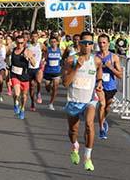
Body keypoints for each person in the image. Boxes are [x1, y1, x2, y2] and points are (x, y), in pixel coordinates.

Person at [63, 31, 103, 172]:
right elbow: (66, 83)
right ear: (79, 44)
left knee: (89, 124)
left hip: (89, 100)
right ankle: (75, 146)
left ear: (93, 45)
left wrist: (99, 82)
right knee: (73, 131)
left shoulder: (96, 60)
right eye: (84, 43)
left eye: (90, 43)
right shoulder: (70, 60)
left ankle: (87, 157)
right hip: (74, 100)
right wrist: (76, 67)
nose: (87, 46)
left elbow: (99, 73)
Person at [96, 34, 123, 140]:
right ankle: (101, 128)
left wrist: (110, 67)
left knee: (107, 107)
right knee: (102, 104)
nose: (101, 45)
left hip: (110, 86)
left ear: (108, 43)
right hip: (99, 85)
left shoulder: (114, 57)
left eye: (104, 42)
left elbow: (120, 75)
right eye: (100, 42)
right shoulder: (95, 57)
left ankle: (103, 119)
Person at [10, 35, 36, 120]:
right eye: (18, 43)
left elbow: (34, 63)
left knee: (24, 96)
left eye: (21, 43)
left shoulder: (27, 51)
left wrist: (28, 57)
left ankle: (22, 108)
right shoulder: (13, 50)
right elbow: (6, 57)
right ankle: (15, 104)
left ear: (24, 43)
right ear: (15, 42)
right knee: (17, 93)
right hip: (15, 75)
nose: (19, 45)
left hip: (24, 76)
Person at [42, 36, 62, 111]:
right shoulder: (47, 50)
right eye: (51, 42)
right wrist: (43, 61)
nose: (53, 43)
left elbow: (62, 60)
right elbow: (44, 58)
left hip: (56, 72)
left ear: (57, 42)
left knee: (55, 87)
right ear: (50, 43)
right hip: (48, 71)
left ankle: (51, 103)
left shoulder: (60, 50)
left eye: (54, 42)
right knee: (47, 88)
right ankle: (50, 87)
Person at [27, 31, 44, 111]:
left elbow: (46, 51)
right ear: (31, 37)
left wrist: (43, 60)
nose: (34, 38)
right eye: (33, 36)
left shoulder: (40, 45)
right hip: (29, 68)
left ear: (38, 37)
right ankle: (32, 103)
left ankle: (39, 93)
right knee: (31, 86)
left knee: (39, 81)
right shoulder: (27, 45)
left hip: (38, 67)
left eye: (36, 36)